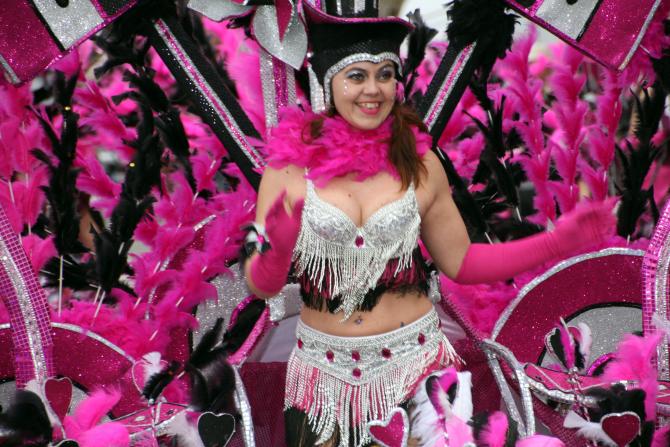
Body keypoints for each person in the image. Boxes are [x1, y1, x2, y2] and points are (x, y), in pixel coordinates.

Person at [243, 3, 615, 446]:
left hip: (417, 373)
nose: (373, 89)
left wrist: (557, 242)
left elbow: (462, 262)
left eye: (385, 74)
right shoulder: (287, 170)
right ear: (327, 82)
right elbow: (260, 286)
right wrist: (276, 251)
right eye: (356, 76)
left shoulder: (419, 162)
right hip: (322, 382)